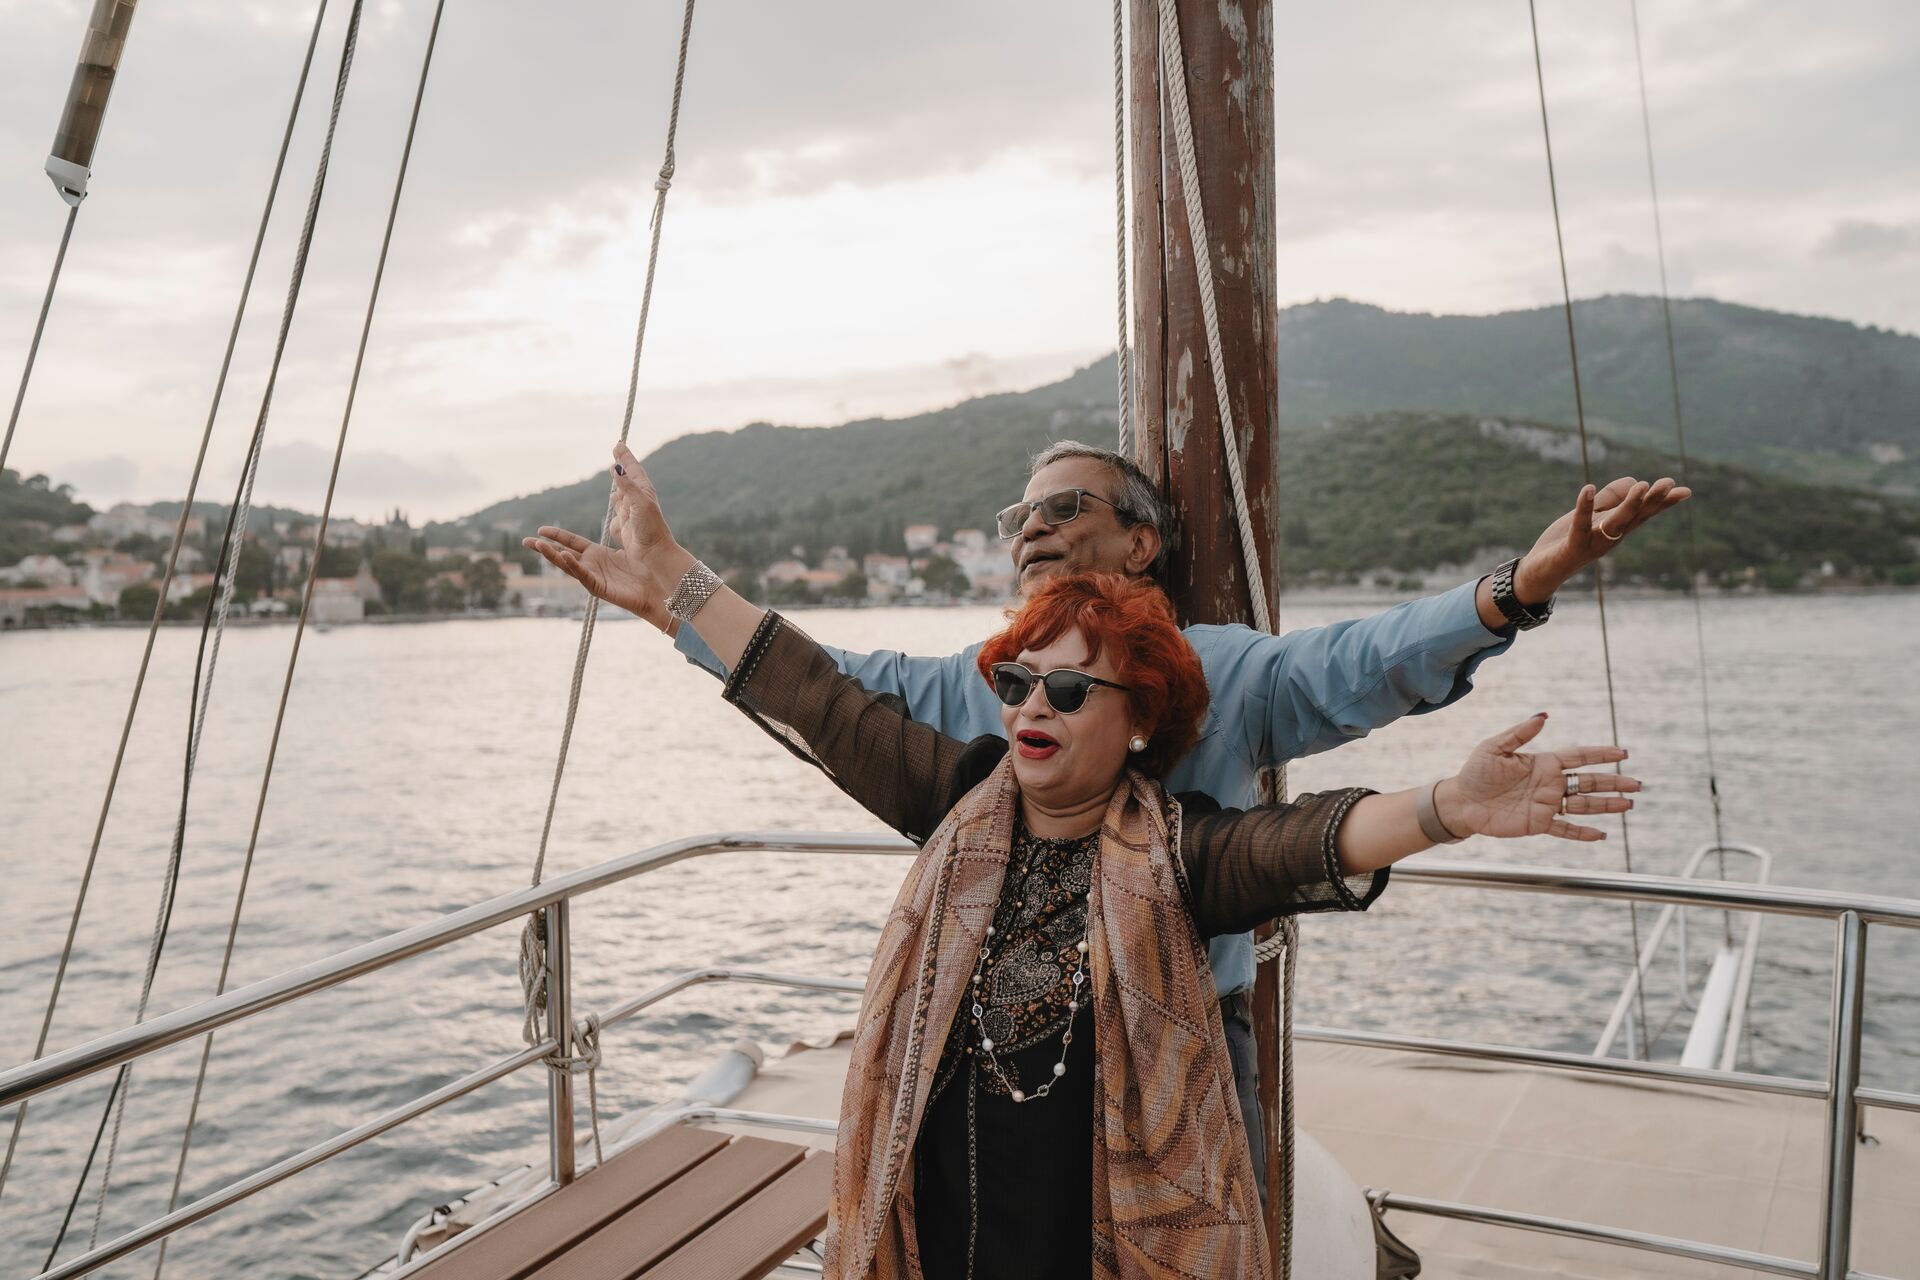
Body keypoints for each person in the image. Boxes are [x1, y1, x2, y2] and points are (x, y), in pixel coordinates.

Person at [524, 455, 1641, 1280]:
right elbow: (822, 690)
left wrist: (1463, 752)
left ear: (1143, 717)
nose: (1029, 704)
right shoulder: (964, 770)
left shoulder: (1206, 744)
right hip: (965, 1171)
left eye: (1064, 507)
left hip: (1163, 1066)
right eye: (1017, 683)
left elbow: (1306, 817)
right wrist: (673, 580)